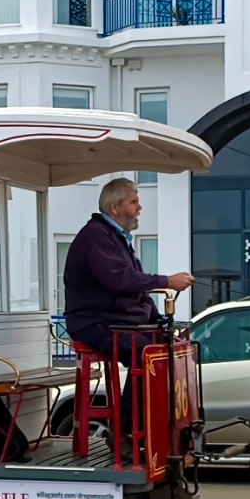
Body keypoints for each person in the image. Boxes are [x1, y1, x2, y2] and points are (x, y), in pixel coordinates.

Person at [61, 177, 194, 458]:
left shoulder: (117, 238)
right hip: (93, 323)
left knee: (164, 348)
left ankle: (154, 430)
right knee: (145, 355)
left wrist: (159, 321)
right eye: (134, 201)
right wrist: (167, 281)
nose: (140, 207)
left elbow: (138, 291)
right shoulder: (95, 236)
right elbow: (122, 281)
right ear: (114, 207)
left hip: (115, 321)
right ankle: (123, 434)